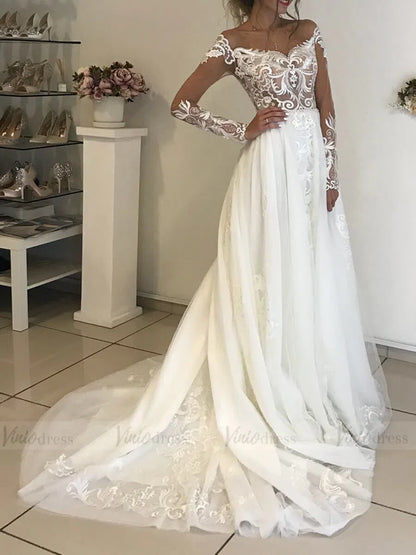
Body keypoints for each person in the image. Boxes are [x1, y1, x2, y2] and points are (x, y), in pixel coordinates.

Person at [17, 0, 392, 539]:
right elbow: (183, 104)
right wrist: (242, 128)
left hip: (310, 165)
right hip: (266, 165)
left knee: (310, 271)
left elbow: (326, 105)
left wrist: (331, 175)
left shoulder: (308, 30)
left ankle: (307, 376)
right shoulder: (231, 42)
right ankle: (258, 378)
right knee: (262, 271)